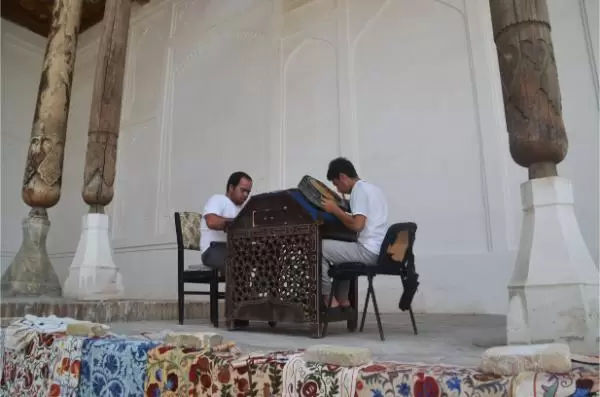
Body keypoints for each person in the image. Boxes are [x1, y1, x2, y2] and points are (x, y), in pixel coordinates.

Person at [320, 157, 389, 308]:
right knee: (343, 252)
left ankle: (327, 297)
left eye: (336, 184)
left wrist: (335, 210)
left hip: (368, 251)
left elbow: (358, 225)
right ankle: (343, 299)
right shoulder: (374, 189)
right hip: (380, 251)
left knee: (318, 248)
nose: (337, 189)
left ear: (343, 177)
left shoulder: (359, 190)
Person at [200, 171, 253, 269]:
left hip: (232, 250)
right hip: (213, 250)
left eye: (248, 192)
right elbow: (211, 222)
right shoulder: (218, 199)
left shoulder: (242, 209)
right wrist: (238, 223)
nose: (245, 195)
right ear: (231, 187)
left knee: (267, 258)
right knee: (241, 261)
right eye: (242, 190)